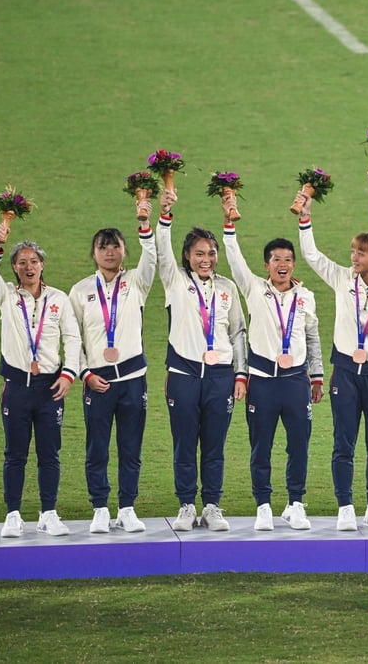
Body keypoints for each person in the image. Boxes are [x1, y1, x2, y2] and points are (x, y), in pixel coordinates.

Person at [296, 191, 368, 532]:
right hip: (345, 371)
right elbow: (312, 255)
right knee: (343, 442)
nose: (354, 257)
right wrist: (305, 217)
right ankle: (345, 507)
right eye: (353, 251)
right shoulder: (343, 279)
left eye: (361, 252)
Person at [221, 193, 324, 532]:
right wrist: (229, 226)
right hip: (262, 381)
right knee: (260, 446)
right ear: (266, 264)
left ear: (294, 264)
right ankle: (263, 505)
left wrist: (317, 375)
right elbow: (234, 261)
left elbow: (312, 338)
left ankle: (295, 503)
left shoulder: (305, 296)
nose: (283, 264)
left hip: (295, 380)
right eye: (276, 259)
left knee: (299, 444)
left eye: (288, 259)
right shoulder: (253, 289)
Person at [156, 188, 247, 532]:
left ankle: (211, 506)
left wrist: (241, 374)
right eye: (198, 253)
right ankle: (185, 505)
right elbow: (162, 253)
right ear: (187, 256)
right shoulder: (175, 280)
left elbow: (238, 332)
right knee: (184, 443)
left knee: (214, 444)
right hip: (184, 373)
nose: (205, 259)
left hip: (221, 376)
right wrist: (165, 213)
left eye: (210, 253)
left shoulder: (227, 288)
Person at [0, 223, 81, 538]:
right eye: (22, 262)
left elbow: (72, 337)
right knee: (15, 453)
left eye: (34, 261)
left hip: (51, 388)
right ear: (14, 267)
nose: (29, 267)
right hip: (16, 387)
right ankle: (13, 514)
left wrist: (69, 374)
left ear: (42, 265)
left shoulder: (59, 298)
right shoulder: (7, 297)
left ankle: (48, 513)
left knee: (49, 452)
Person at [69, 208, 156, 534]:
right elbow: (72, 338)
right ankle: (100, 508)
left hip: (133, 379)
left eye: (115, 245)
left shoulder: (137, 282)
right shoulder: (79, 292)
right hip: (98, 380)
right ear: (94, 253)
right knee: (97, 447)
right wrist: (85, 374)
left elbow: (152, 255)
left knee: (131, 447)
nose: (109, 251)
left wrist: (145, 223)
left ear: (124, 251)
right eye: (103, 246)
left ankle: (128, 508)